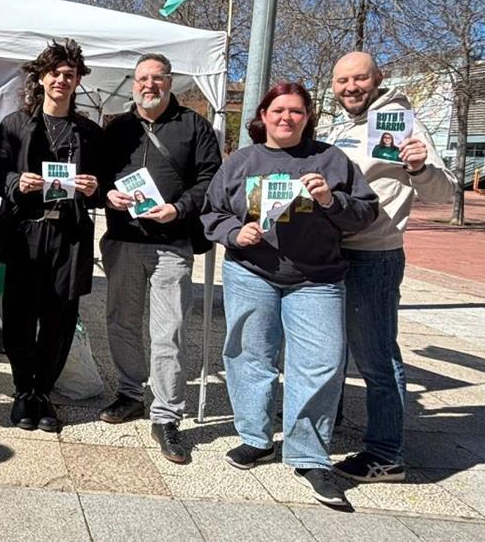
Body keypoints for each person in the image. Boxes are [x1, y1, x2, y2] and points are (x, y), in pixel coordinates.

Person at [201, 82, 378, 507]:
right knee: (248, 357)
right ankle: (255, 438)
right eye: (278, 110)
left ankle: (309, 455)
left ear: (307, 117)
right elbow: (212, 211)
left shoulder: (332, 160)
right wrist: (233, 232)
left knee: (319, 364)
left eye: (296, 111)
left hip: (316, 279)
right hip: (252, 272)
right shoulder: (242, 160)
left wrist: (330, 199)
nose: (286, 118)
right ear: (263, 115)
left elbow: (366, 212)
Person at [324, 52, 457, 483]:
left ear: (378, 78)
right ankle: (330, 417)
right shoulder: (339, 125)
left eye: (359, 78)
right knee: (331, 346)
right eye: (342, 80)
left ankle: (385, 454)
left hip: (373, 255)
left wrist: (418, 166)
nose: (350, 87)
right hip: (330, 252)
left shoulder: (403, 122)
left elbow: (443, 195)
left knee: (377, 357)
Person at [98, 53, 222, 464]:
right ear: (133, 84)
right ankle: (131, 392)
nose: (149, 85)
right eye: (142, 79)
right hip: (124, 240)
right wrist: (107, 195)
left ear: (170, 82)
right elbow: (97, 178)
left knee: (168, 330)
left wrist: (180, 208)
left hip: (172, 243)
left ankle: (167, 415)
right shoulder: (117, 129)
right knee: (122, 321)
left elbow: (211, 180)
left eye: (157, 78)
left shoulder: (195, 126)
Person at [0, 39, 106, 433]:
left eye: (70, 75)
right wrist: (17, 181)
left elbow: (106, 185)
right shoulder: (15, 125)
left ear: (77, 81)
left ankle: (44, 392)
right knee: (19, 316)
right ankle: (23, 391)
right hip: (26, 233)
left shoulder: (88, 131)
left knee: (60, 318)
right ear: (41, 77)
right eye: (55, 73)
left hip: (69, 234)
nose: (62, 80)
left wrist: (93, 189)